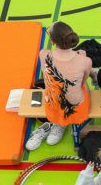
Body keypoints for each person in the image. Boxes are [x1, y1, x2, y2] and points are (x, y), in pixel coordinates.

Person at [26, 22, 92, 151]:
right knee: (82, 84)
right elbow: (83, 82)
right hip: (77, 107)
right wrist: (81, 57)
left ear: (52, 40)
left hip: (53, 103)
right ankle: (60, 124)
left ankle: (59, 123)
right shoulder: (85, 61)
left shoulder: (43, 54)